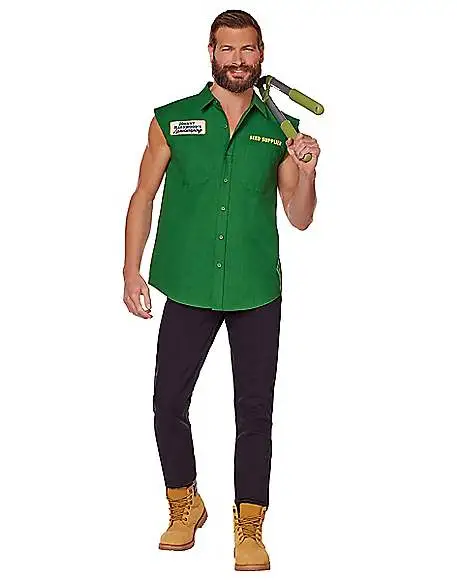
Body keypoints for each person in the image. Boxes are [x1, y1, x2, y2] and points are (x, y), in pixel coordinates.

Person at [123, 9, 319, 572]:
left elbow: (300, 217)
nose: (238, 59)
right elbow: (142, 196)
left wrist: (307, 170)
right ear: (211, 51)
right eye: (227, 48)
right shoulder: (174, 119)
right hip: (188, 284)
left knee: (254, 410)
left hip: (256, 288)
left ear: (261, 53)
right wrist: (131, 271)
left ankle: (250, 524)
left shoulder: (280, 130)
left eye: (247, 49)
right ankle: (183, 503)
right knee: (168, 402)